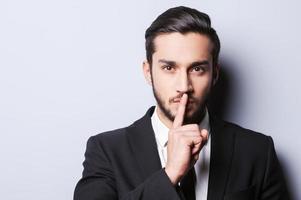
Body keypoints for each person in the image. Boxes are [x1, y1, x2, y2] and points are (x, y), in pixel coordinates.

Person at [74, 6, 289, 200]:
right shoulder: (106, 151)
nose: (184, 86)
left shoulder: (257, 151)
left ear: (214, 73)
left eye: (197, 69)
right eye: (169, 68)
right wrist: (170, 173)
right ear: (148, 72)